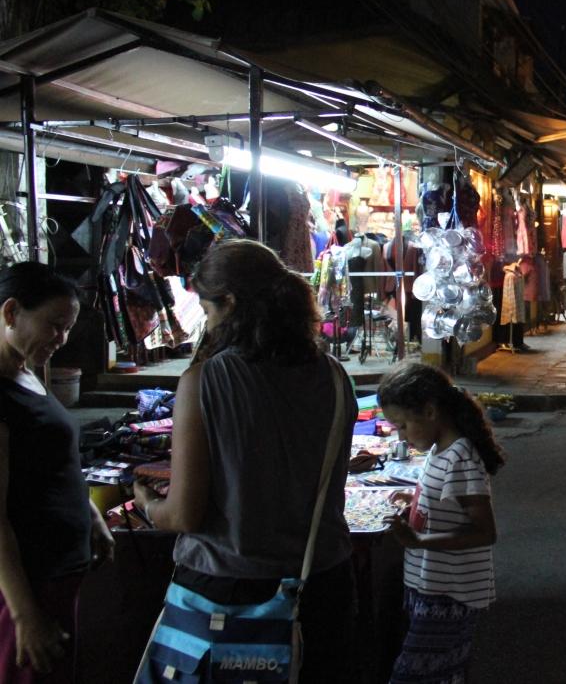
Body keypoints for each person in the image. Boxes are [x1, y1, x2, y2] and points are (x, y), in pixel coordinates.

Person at [133, 240, 357, 682]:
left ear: (230, 303)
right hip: (322, 585)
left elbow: (183, 514)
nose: (208, 323)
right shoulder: (334, 375)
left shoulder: (204, 380)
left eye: (208, 310)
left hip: (231, 594)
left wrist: (147, 504)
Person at [0, 263, 113, 683]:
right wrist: (24, 615)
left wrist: (91, 514)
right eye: (53, 325)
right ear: (12, 312)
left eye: (67, 328)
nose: (61, 339)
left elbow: (49, 461)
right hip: (30, 581)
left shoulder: (25, 372)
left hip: (58, 571)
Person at [378, 362, 502, 684]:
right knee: (441, 673)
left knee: (413, 675)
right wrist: (414, 500)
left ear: (430, 412)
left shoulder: (460, 457)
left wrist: (418, 541)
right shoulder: (439, 450)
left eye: (403, 425)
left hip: (449, 594)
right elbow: (447, 503)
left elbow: (484, 531)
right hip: (429, 586)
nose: (401, 435)